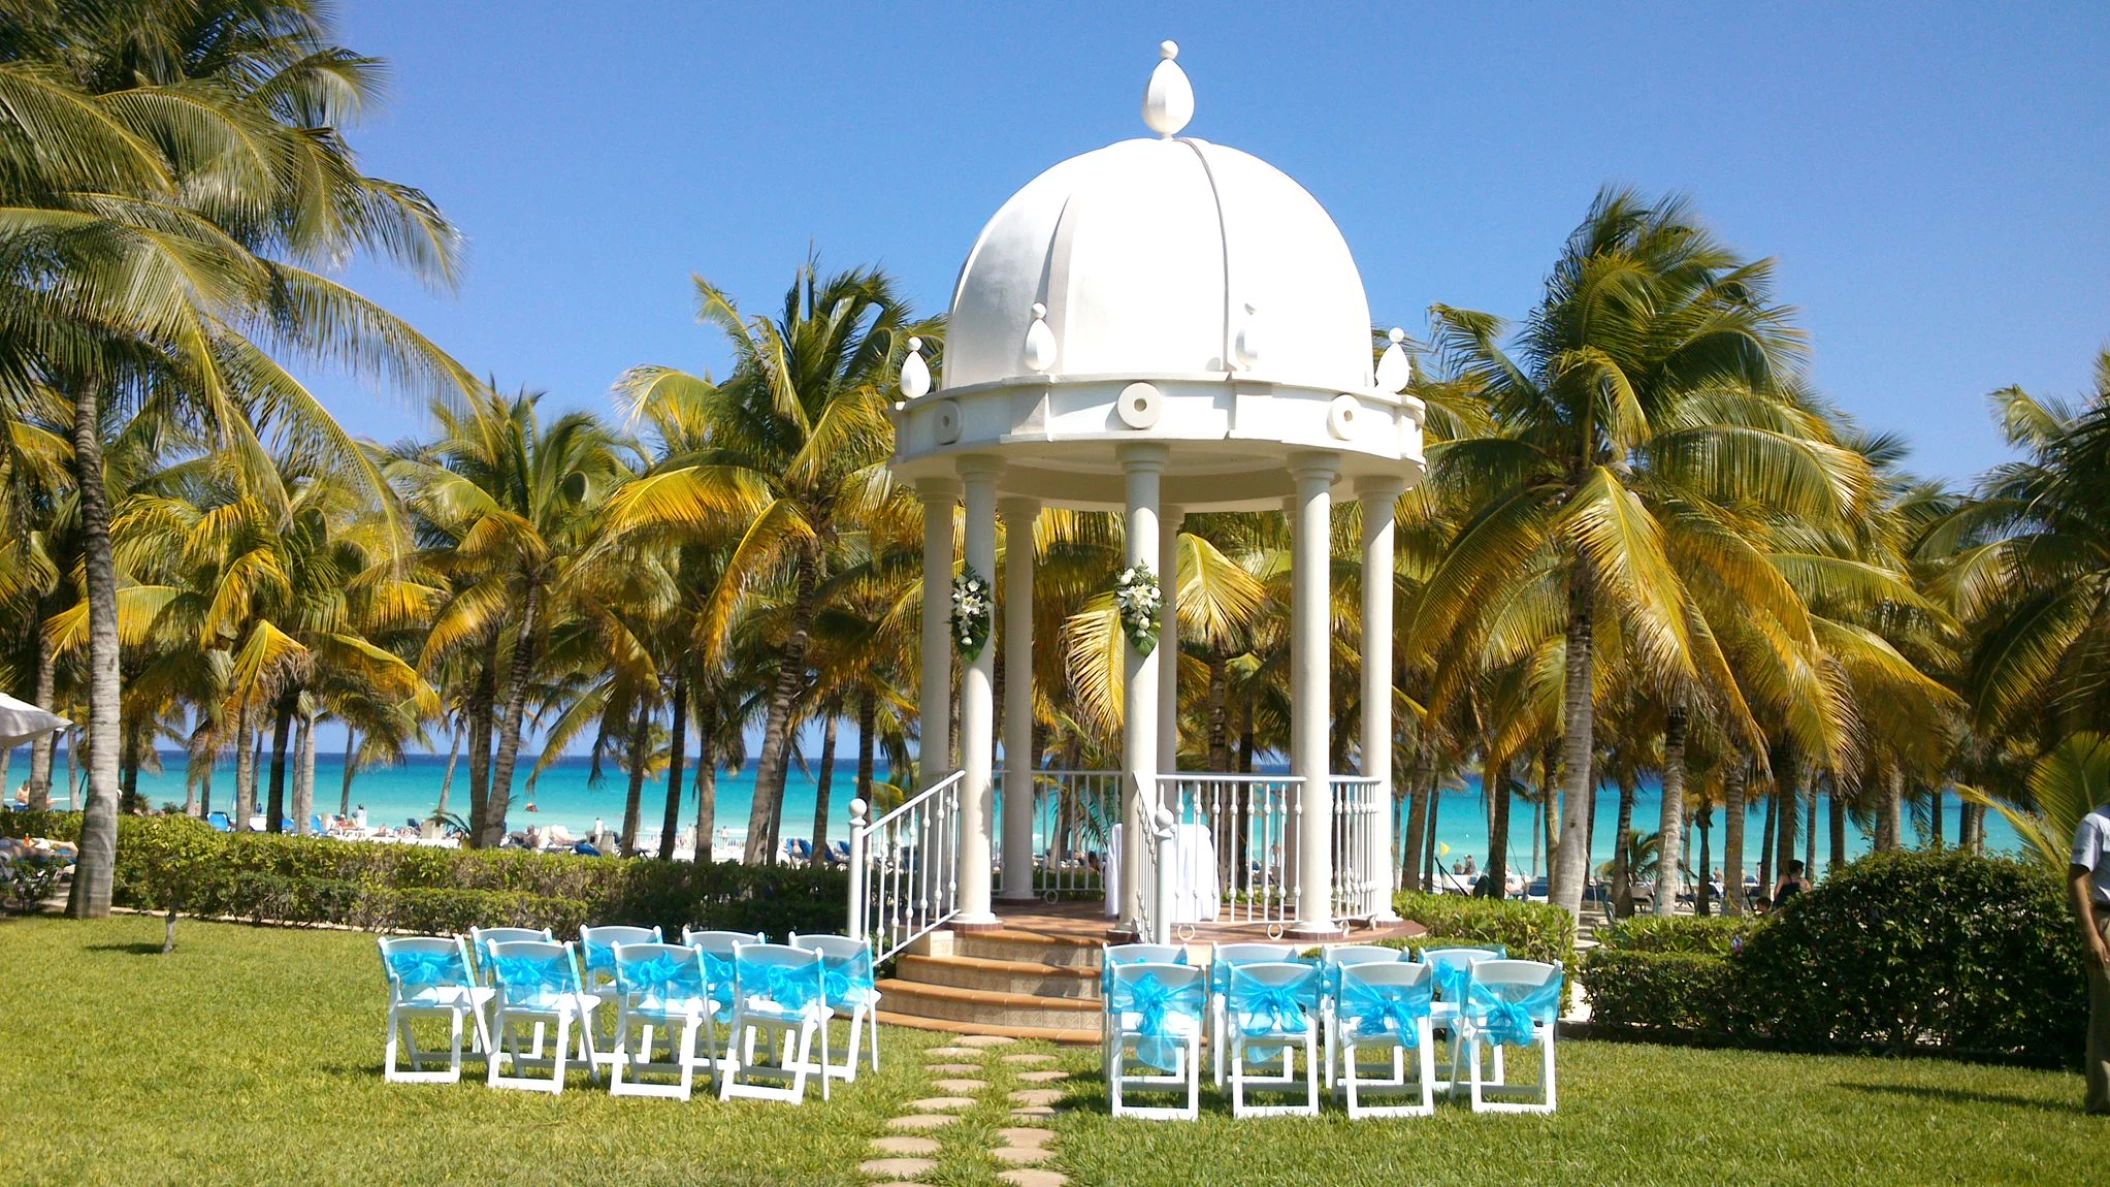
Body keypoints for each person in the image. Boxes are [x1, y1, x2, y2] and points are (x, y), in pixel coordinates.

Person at [2069, 799, 2110, 1113]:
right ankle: (2103, 1100)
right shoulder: (2096, 822)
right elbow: (2077, 880)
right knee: (2106, 1015)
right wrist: (2091, 934)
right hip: (2107, 920)